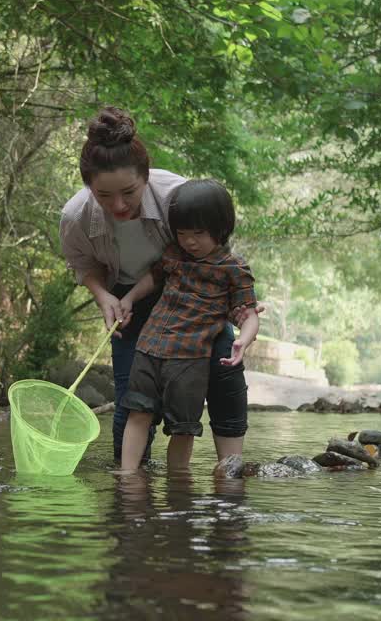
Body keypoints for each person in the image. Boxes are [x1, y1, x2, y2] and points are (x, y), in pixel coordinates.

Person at [59, 106, 255, 466]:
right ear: (89, 187)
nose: (118, 205)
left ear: (146, 177)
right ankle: (130, 484)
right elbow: (84, 265)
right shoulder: (77, 216)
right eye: (104, 196)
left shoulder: (177, 196)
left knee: (224, 365)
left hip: (193, 296)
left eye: (129, 193)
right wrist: (104, 297)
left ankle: (231, 473)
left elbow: (213, 250)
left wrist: (240, 305)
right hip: (127, 300)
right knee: (133, 394)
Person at [118, 179, 259, 472]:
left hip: (189, 359)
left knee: (183, 427)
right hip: (150, 347)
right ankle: (127, 475)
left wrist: (243, 340)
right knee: (137, 413)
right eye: (182, 233)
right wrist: (129, 298)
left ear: (221, 229)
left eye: (198, 234)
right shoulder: (173, 253)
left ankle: (178, 486)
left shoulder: (233, 269)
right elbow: (154, 278)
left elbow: (247, 312)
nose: (189, 241)